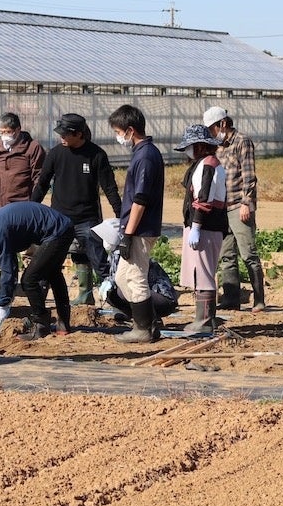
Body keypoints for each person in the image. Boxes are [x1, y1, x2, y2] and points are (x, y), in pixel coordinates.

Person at [32, 113, 121, 306]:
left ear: (79, 134)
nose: (61, 137)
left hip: (87, 219)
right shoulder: (55, 154)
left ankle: (117, 305)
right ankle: (38, 304)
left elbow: (109, 187)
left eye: (65, 134)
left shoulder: (96, 155)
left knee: (100, 263)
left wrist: (120, 215)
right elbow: (42, 184)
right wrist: (31, 207)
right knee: (47, 262)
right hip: (58, 220)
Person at [0, 202, 75, 339]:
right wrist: (7, 294)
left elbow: (7, 270)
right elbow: (12, 264)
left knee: (29, 280)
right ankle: (63, 325)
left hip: (56, 233)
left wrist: (3, 303)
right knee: (54, 274)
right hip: (62, 227)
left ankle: (41, 325)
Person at [107, 105, 165, 343]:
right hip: (135, 226)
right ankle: (149, 323)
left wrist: (128, 234)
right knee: (122, 276)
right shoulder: (143, 153)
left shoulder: (146, 156)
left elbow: (140, 200)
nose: (118, 137)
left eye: (119, 131)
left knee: (135, 276)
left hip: (140, 228)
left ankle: (144, 330)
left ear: (130, 130)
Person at [204, 106, 266, 312]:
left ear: (222, 124)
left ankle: (259, 299)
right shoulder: (217, 147)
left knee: (248, 253)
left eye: (212, 129)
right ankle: (231, 299)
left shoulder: (242, 142)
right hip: (222, 207)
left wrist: (246, 203)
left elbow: (249, 176)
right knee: (227, 255)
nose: (212, 134)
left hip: (239, 206)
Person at [174, 124, 228, 333]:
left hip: (206, 227)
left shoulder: (208, 165)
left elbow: (203, 199)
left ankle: (204, 321)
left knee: (203, 272)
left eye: (190, 146)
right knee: (202, 272)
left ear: (199, 146)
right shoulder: (207, 163)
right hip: (207, 226)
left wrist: (196, 226)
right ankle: (206, 319)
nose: (188, 151)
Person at [0, 112, 45, 213]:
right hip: (0, 204)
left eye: (8, 132)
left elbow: (38, 177)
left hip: (22, 204)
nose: (4, 136)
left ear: (18, 130)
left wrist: (34, 202)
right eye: (1, 132)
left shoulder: (33, 147)